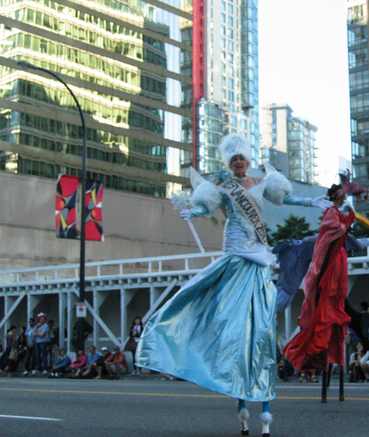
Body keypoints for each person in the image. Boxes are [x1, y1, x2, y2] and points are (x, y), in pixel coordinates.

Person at [137, 133, 330, 437]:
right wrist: (194, 210)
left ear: (248, 161)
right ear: (229, 162)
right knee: (223, 312)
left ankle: (259, 405)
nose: (239, 163)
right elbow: (207, 205)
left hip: (258, 257)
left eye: (242, 158)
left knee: (262, 329)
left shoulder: (260, 182)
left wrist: (312, 201)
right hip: (236, 253)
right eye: (234, 159)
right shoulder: (224, 185)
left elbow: (284, 198)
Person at [283, 183, 356, 375]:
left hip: (339, 258)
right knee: (327, 300)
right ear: (336, 196)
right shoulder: (331, 212)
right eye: (342, 195)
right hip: (332, 261)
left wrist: (349, 217)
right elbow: (337, 230)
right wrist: (350, 217)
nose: (344, 197)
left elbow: (343, 231)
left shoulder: (336, 212)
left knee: (337, 299)